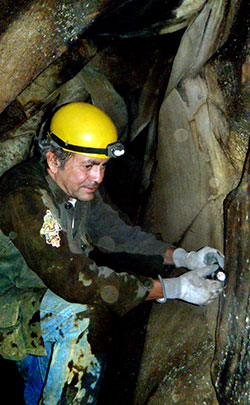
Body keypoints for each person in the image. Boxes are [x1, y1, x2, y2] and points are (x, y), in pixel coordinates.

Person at [0, 102, 224, 404]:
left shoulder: (77, 188)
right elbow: (74, 279)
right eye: (89, 165)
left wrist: (184, 257)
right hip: (11, 303)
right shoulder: (24, 196)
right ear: (53, 160)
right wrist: (172, 288)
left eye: (103, 165)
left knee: (44, 379)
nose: (99, 177)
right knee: (83, 314)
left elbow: (118, 235)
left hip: (40, 299)